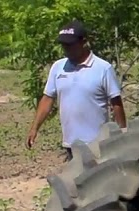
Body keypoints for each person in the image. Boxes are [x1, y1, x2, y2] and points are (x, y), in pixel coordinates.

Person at [26, 20, 126, 161]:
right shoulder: (58, 67)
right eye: (63, 45)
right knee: (77, 181)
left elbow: (116, 103)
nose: (66, 48)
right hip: (71, 144)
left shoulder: (103, 68)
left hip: (98, 143)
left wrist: (122, 133)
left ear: (83, 42)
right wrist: (34, 128)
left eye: (70, 45)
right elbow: (47, 99)